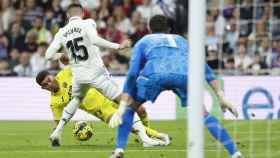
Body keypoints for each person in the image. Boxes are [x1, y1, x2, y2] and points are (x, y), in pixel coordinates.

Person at [109, 15, 243, 158]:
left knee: (131, 108)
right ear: (168, 29)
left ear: (149, 29)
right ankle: (235, 153)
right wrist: (221, 96)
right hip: (184, 76)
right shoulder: (182, 41)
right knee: (203, 114)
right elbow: (205, 69)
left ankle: (119, 150)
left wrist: (123, 103)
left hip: (156, 74)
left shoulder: (144, 41)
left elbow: (133, 73)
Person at [45, 4, 130, 145]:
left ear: (67, 16)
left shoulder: (61, 31)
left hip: (79, 76)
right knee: (122, 100)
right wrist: (118, 46)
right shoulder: (88, 23)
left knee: (77, 99)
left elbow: (48, 55)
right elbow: (95, 40)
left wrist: (61, 55)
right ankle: (145, 137)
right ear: (83, 13)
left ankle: (57, 131)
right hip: (95, 73)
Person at [35, 66, 170, 147]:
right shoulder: (55, 102)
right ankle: (157, 136)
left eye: (49, 80)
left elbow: (75, 63)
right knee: (128, 124)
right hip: (101, 110)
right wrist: (56, 135)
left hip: (107, 94)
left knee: (140, 109)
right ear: (42, 88)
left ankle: (147, 135)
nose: (49, 84)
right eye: (45, 84)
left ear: (51, 76)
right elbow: (58, 123)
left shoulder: (65, 73)